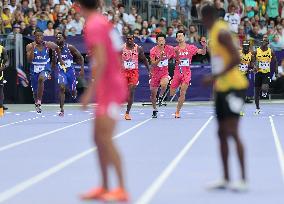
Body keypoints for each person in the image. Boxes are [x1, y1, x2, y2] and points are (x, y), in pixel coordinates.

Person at [78, 0, 129, 201]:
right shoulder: (101, 21)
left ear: (78, 6)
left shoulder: (93, 25)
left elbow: (103, 60)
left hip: (110, 88)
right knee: (98, 137)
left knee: (105, 137)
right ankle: (105, 186)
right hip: (108, 85)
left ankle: (121, 189)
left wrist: (89, 93)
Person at [201, 3, 248, 191]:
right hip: (221, 89)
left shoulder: (221, 32)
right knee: (220, 133)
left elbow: (236, 58)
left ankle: (243, 179)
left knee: (233, 132)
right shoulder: (212, 33)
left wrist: (214, 77)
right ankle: (226, 178)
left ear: (207, 18)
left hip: (235, 87)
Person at [26, 28, 65, 113]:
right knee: (35, 91)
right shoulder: (29, 46)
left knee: (41, 79)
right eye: (37, 36)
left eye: (40, 36)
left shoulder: (48, 44)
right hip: (34, 70)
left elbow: (57, 48)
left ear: (43, 36)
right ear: (34, 37)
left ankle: (39, 101)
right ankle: (37, 103)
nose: (39, 37)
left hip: (46, 69)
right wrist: (33, 49)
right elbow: (29, 60)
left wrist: (60, 59)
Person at [170, 30, 206, 118]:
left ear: (184, 37)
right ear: (176, 38)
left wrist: (204, 46)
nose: (180, 37)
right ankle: (176, 87)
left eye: (181, 36)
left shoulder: (190, 47)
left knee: (183, 92)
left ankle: (177, 112)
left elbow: (203, 52)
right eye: (178, 36)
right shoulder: (174, 49)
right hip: (177, 73)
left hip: (186, 73)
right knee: (171, 93)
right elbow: (167, 57)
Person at [52, 32, 84, 116]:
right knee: (62, 87)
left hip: (70, 72)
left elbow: (81, 57)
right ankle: (61, 109)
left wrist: (82, 69)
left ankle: (74, 90)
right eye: (57, 37)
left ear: (64, 38)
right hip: (61, 71)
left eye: (60, 37)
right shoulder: (55, 50)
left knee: (73, 91)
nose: (58, 39)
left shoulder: (70, 47)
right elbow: (53, 62)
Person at [122, 33, 150, 120]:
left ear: (134, 39)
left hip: (134, 72)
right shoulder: (121, 48)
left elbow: (144, 59)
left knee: (131, 91)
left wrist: (149, 70)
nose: (129, 40)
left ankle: (127, 113)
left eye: (131, 38)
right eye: (127, 39)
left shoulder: (138, 48)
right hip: (123, 72)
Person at [149, 33, 175, 118]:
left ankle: (160, 97)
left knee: (164, 84)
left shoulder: (169, 49)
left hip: (164, 73)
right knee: (153, 94)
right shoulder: (153, 50)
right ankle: (154, 110)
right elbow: (153, 64)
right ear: (156, 41)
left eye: (162, 40)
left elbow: (176, 53)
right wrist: (159, 58)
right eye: (159, 40)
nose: (161, 42)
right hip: (155, 73)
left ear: (165, 41)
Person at [252, 34, 278, 114]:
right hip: (258, 73)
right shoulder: (257, 51)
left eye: (266, 42)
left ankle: (264, 92)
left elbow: (276, 61)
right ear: (261, 42)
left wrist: (276, 72)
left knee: (264, 88)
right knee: (256, 91)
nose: (264, 43)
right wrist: (254, 66)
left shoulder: (270, 51)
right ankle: (257, 108)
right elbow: (252, 59)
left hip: (266, 73)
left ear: (267, 43)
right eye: (263, 41)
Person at [239, 40, 253, 116]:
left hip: (245, 74)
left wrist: (251, 68)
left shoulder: (250, 54)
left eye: (247, 46)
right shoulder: (239, 53)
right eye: (244, 46)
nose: (246, 47)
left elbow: (252, 64)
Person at [0, 44, 9, 117]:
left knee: (0, 91)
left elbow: (7, 61)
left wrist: (4, 66)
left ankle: (1, 106)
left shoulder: (2, 49)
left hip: (0, 74)